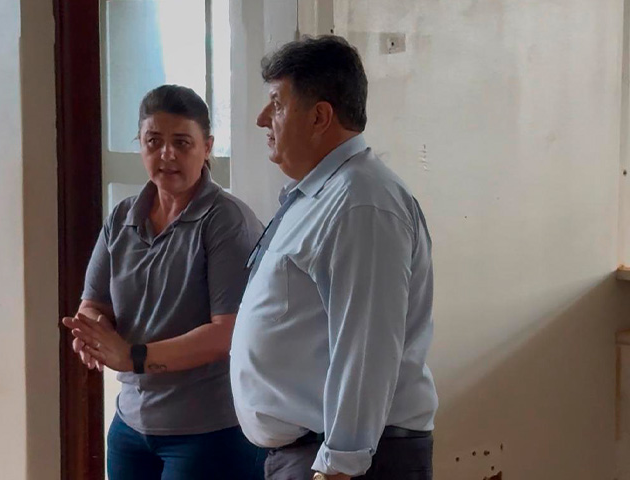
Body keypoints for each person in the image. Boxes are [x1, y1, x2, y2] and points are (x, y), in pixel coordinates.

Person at [230, 36, 438, 480]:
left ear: (320, 116)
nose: (262, 118)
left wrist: (339, 466)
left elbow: (367, 348)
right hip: (312, 453)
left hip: (347, 461)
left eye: (277, 104)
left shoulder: (361, 202)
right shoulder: (322, 194)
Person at [62, 85, 266, 480]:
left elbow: (228, 332)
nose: (166, 154)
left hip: (209, 431)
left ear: (207, 147)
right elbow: (94, 304)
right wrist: (94, 335)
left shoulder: (226, 220)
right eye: (153, 141)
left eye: (182, 142)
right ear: (140, 145)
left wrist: (133, 356)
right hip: (131, 425)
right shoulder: (123, 217)